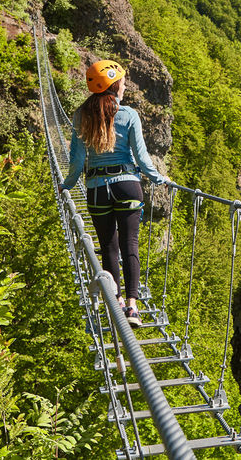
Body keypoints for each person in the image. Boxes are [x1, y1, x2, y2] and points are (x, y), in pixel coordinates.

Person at [60, 60, 167, 326]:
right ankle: (132, 307)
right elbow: (141, 157)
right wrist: (158, 178)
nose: (125, 86)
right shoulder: (129, 114)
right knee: (130, 244)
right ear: (115, 85)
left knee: (109, 245)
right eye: (123, 81)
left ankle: (116, 300)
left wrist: (68, 184)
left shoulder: (81, 115)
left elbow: (77, 159)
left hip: (97, 189)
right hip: (127, 186)